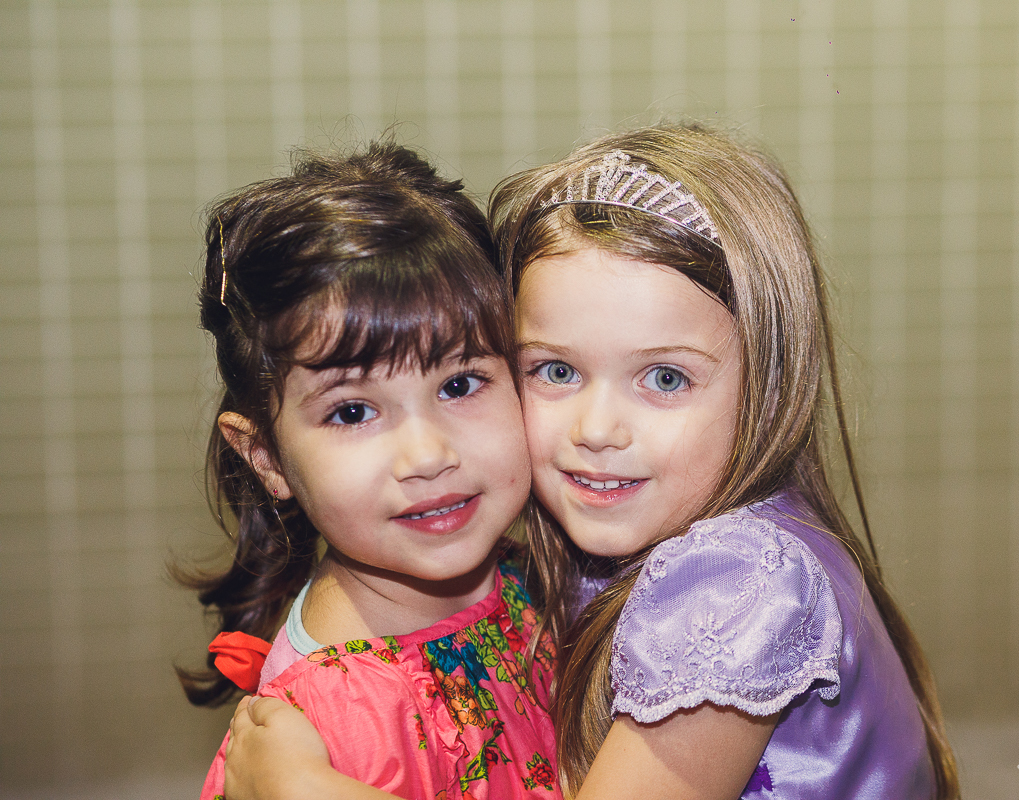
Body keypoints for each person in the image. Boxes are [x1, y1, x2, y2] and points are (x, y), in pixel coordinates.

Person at [220, 124, 960, 799]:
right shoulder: (572, 547)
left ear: (767, 385)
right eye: (556, 371)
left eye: (665, 378)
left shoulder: (736, 582)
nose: (598, 430)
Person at [177, 140, 560, 800]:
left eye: (461, 384)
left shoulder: (535, 573)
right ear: (265, 457)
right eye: (353, 412)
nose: (428, 455)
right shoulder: (322, 726)